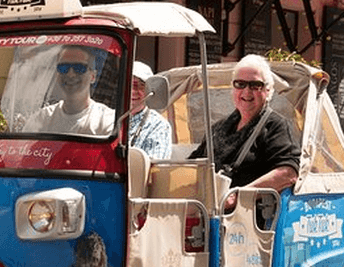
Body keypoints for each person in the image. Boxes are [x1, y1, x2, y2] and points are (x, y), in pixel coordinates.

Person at [189, 54, 300, 193]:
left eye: (255, 85)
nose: (246, 91)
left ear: (268, 90)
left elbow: (288, 173)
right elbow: (192, 166)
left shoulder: (276, 126)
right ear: (233, 88)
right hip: (207, 208)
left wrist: (239, 196)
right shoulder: (218, 129)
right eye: (240, 84)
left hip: (248, 211)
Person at [24, 45, 115, 135]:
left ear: (93, 76)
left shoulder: (107, 120)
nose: (70, 74)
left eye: (79, 68)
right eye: (63, 68)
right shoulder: (41, 119)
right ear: (57, 74)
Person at [128, 61, 172, 159]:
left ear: (150, 91)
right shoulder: (107, 118)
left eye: (141, 85)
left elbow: (153, 168)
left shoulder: (158, 126)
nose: (133, 91)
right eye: (129, 84)